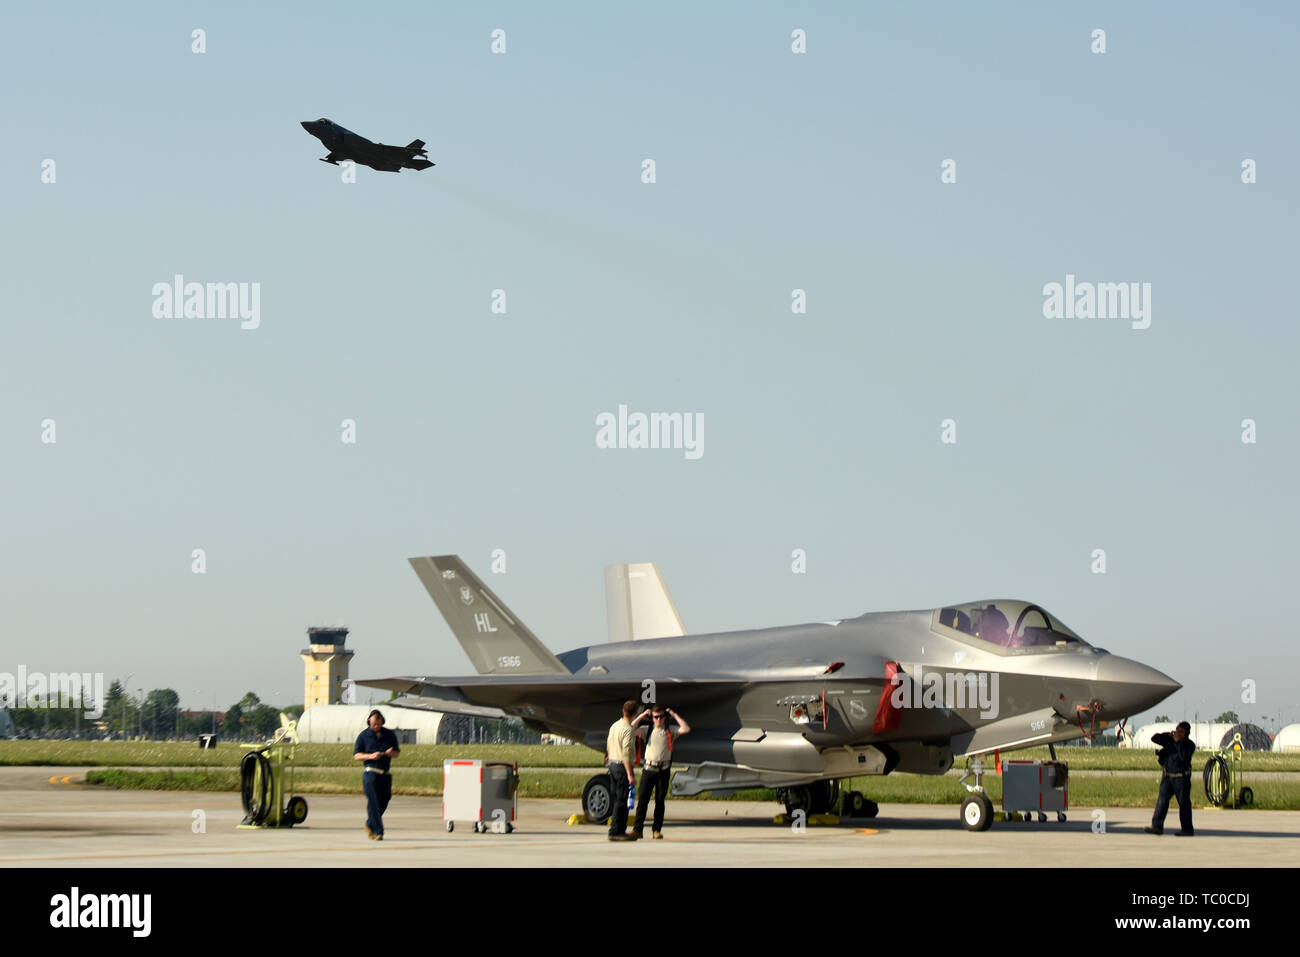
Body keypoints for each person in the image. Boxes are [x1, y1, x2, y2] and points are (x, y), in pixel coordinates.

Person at [631, 705, 691, 839]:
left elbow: (686, 728)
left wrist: (673, 714)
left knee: (660, 801)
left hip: (663, 770)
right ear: (652, 718)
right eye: (656, 717)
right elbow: (631, 728)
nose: (659, 720)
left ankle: (656, 830)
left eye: (661, 717)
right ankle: (637, 829)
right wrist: (642, 716)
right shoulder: (648, 730)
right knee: (643, 800)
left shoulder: (670, 730)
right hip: (649, 769)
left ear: (665, 717)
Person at [353, 709, 400, 840]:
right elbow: (356, 755)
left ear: (382, 722)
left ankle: (369, 823)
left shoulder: (389, 735)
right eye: (373, 724)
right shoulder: (363, 736)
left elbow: (397, 753)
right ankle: (378, 831)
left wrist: (391, 753)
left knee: (384, 800)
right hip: (370, 773)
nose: (376, 726)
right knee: (373, 801)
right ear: (369, 722)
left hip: (385, 774)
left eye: (378, 724)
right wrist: (370, 756)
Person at [1145, 721, 1195, 836]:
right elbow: (1155, 738)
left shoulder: (1189, 745)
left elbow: (1184, 756)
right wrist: (1167, 735)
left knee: (1184, 804)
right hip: (1167, 777)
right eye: (1177, 730)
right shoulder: (1169, 741)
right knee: (1162, 802)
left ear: (1186, 733)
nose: (1178, 733)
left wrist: (1178, 742)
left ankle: (1187, 829)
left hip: (1181, 778)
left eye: (1181, 731)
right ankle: (1157, 826)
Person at [605, 700, 637, 841]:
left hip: (612, 763)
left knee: (618, 798)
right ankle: (617, 831)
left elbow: (608, 744)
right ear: (635, 713)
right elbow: (626, 754)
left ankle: (616, 829)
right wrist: (630, 774)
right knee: (622, 799)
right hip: (621, 767)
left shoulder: (615, 725)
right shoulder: (628, 730)